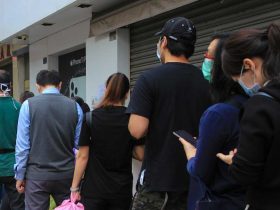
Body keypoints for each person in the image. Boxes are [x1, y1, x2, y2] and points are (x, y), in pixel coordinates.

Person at [127, 17, 211, 210]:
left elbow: (137, 130)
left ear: (164, 42)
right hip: (193, 181)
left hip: (158, 185)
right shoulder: (204, 82)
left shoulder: (149, 79)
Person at [178, 34, 247, 210]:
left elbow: (200, 172)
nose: (205, 60)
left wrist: (192, 153)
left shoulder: (218, 114)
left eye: (209, 55)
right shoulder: (253, 104)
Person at [216, 24, 280, 210]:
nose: (241, 86)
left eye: (238, 80)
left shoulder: (260, 107)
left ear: (248, 65)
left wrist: (235, 162)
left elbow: (245, 174)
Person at [70, 73, 144, 210]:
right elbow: (140, 155)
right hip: (121, 190)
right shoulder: (132, 119)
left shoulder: (90, 118)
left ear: (106, 89)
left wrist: (74, 187)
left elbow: (82, 156)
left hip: (94, 190)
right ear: (127, 93)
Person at [14, 70, 83, 210]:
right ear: (60, 85)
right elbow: (79, 145)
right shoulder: (75, 106)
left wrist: (20, 175)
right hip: (66, 175)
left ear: (37, 86)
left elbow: (23, 146)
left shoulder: (28, 106)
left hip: (36, 176)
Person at [0, 70, 24, 210]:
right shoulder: (19, 107)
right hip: (14, 165)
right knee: (18, 205)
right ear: (9, 85)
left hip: (11, 162)